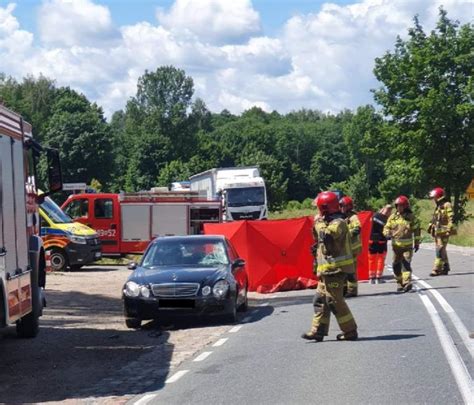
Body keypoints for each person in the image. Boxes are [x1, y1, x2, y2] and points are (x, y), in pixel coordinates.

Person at [302, 191, 358, 342]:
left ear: (324, 208)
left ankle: (350, 331)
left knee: (334, 300)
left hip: (336, 270)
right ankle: (318, 331)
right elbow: (318, 238)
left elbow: (327, 235)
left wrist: (318, 222)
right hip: (327, 270)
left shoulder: (339, 222)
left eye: (319, 208)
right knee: (320, 299)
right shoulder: (327, 221)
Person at [383, 196, 421, 292]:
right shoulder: (392, 217)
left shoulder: (411, 217)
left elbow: (417, 230)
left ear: (405, 206)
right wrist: (387, 233)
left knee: (406, 263)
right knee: (396, 265)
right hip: (396, 247)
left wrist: (417, 243)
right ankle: (399, 283)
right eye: (397, 206)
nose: (399, 208)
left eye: (401, 206)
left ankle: (407, 282)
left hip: (407, 247)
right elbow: (386, 228)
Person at [428, 187, 454, 276]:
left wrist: (449, 229)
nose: (433, 199)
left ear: (439, 196)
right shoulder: (438, 206)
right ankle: (445, 266)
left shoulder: (447, 205)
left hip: (445, 232)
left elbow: (451, 218)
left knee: (440, 249)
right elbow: (436, 219)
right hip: (438, 233)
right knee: (442, 250)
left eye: (434, 197)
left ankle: (436, 269)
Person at [339, 196, 361, 297]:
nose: (341, 208)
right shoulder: (342, 217)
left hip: (352, 249)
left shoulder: (353, 217)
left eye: (342, 206)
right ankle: (343, 290)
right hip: (345, 249)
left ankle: (352, 291)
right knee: (343, 270)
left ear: (348, 207)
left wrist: (346, 235)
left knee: (350, 270)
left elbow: (357, 229)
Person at [368, 204, 392, 284]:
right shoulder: (386, 219)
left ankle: (372, 278)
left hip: (371, 241)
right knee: (380, 259)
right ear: (388, 210)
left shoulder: (374, 216)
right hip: (381, 241)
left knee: (371, 259)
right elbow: (387, 231)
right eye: (390, 211)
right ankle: (378, 277)